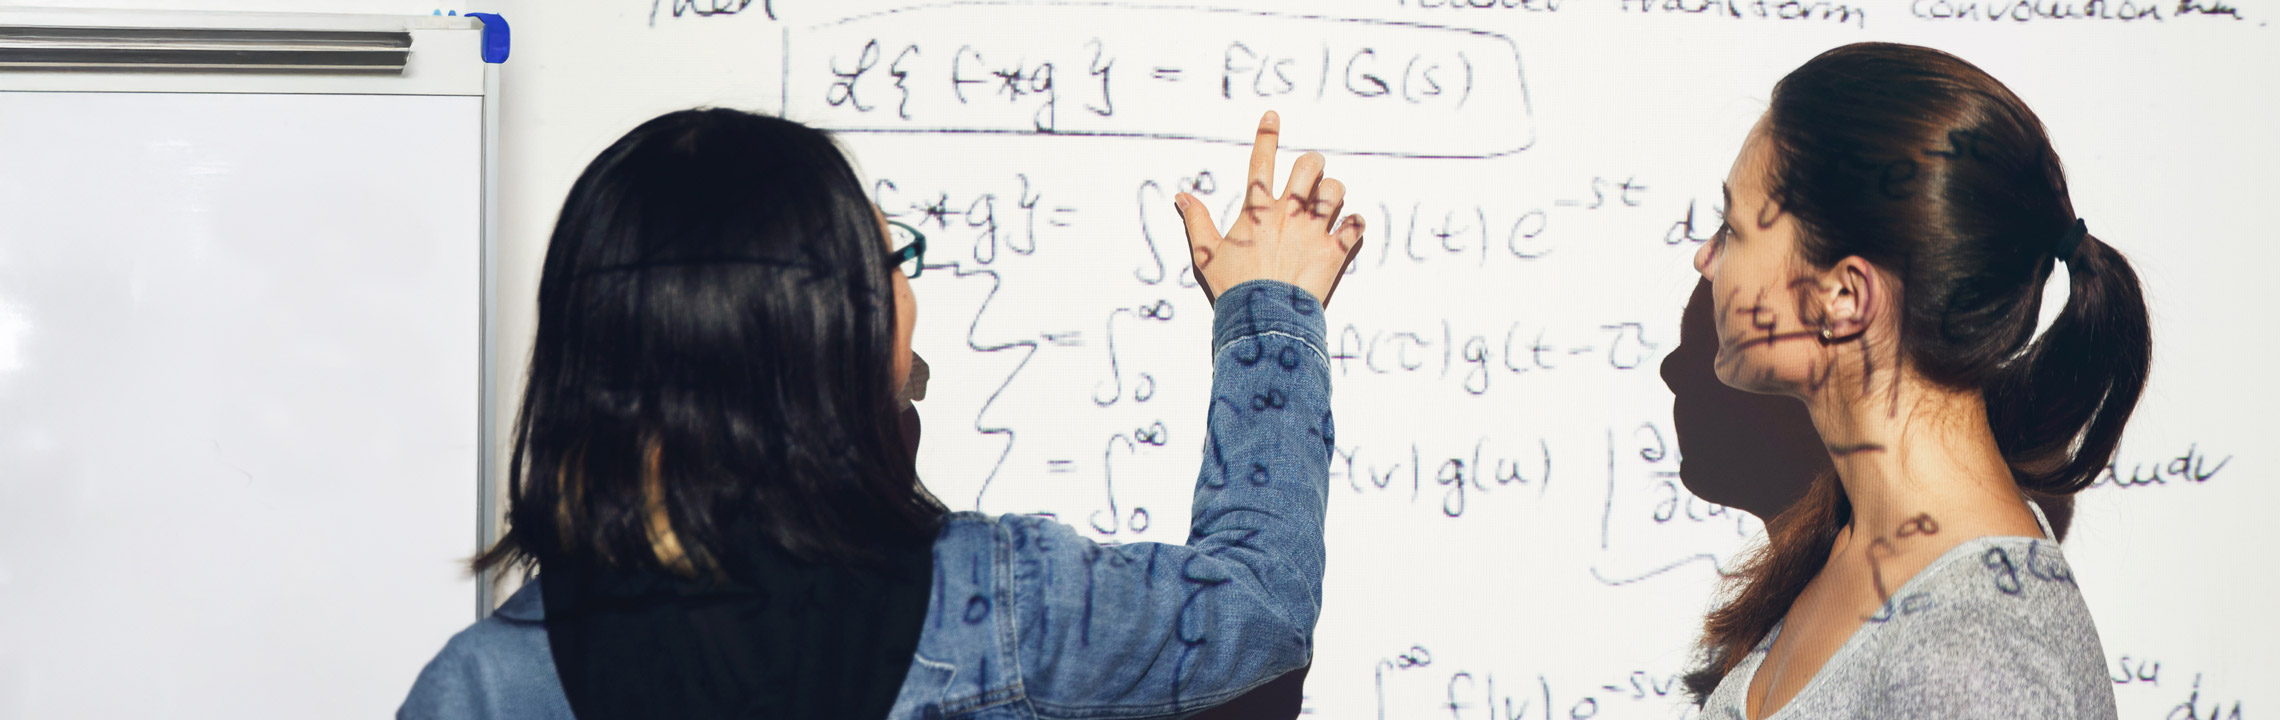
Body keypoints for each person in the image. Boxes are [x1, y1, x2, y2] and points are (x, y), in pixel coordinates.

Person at [399, 108, 1366, 719]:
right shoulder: (999, 602)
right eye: (887, 259)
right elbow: (1257, 608)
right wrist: (1270, 307)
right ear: (833, 330)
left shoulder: (478, 689)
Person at [1679, 43, 2149, 717]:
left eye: (1732, 228)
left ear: (1844, 296)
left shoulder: (1980, 656)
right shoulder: (1852, 542)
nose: (1705, 258)